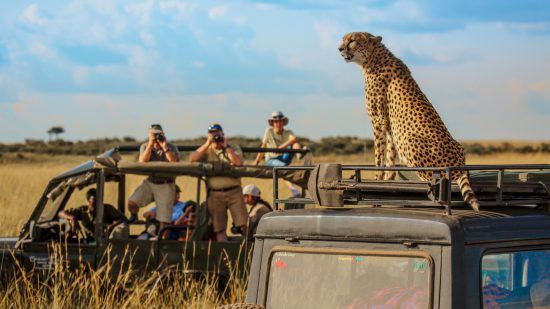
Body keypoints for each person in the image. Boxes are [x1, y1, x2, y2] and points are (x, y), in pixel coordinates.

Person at [189, 123, 248, 242]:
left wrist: (226, 147)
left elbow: (238, 163)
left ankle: (249, 249)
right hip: (215, 194)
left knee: (244, 224)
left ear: (223, 134)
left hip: (234, 191)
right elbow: (192, 159)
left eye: (217, 133)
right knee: (219, 228)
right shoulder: (207, 149)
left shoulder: (232, 147)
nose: (216, 136)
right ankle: (223, 252)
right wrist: (207, 144)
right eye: (212, 134)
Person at [127, 124, 180, 239]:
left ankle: (160, 242)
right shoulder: (145, 146)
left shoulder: (171, 147)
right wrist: (151, 144)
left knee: (164, 220)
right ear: (149, 135)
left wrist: (164, 146)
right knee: (132, 202)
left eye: (158, 134)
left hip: (166, 184)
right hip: (150, 182)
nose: (156, 137)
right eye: (153, 134)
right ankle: (134, 216)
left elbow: (176, 163)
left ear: (163, 134)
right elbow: (142, 162)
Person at [255, 111, 307, 196]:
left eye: (280, 121)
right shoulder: (269, 131)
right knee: (283, 168)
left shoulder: (288, 132)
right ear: (272, 123)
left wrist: (280, 148)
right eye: (276, 122)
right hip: (272, 159)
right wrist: (257, 161)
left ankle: (299, 154)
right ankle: (293, 190)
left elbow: (294, 139)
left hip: (284, 156)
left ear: (283, 122)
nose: (278, 124)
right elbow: (263, 146)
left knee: (295, 143)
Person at [58, 188, 129, 240]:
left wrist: (111, 226)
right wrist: (72, 218)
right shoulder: (83, 210)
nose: (97, 203)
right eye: (94, 200)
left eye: (99, 199)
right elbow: (61, 213)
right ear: (88, 200)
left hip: (104, 241)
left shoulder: (107, 208)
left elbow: (123, 218)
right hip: (88, 242)